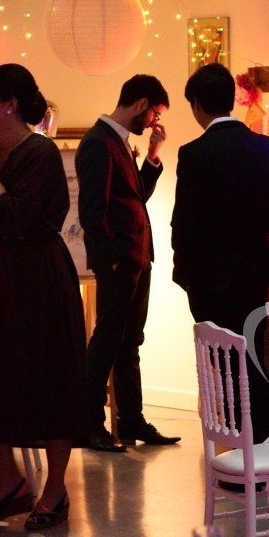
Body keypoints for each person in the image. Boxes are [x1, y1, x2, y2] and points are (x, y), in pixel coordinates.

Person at [0, 64, 87, 529]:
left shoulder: (40, 153)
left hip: (38, 273)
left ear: (9, 103)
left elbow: (16, 216)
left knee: (50, 375)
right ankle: (9, 479)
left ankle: (54, 490)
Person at [172, 62, 269, 443]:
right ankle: (259, 441)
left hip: (207, 280)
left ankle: (236, 444)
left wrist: (184, 276)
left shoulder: (193, 153)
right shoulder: (267, 149)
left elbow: (184, 223)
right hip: (253, 274)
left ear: (197, 104)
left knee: (223, 364)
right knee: (252, 361)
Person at [76, 73, 178, 453]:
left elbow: (134, 198)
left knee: (129, 342)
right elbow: (92, 212)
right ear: (140, 105)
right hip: (121, 261)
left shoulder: (117, 141)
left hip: (137, 258)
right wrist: (113, 261)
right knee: (106, 341)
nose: (154, 121)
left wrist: (152, 156)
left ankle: (131, 420)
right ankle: (90, 424)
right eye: (154, 113)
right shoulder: (98, 143)